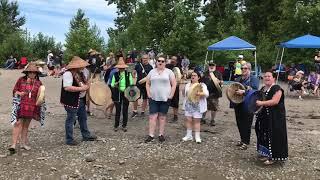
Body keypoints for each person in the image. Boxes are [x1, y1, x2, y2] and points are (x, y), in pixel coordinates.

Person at [61, 56, 97, 146]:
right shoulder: (68, 74)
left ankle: (86, 135)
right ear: (76, 66)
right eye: (81, 66)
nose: (83, 67)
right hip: (71, 100)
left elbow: (84, 85)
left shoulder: (80, 73)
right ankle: (69, 139)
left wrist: (88, 84)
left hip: (80, 100)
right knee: (71, 119)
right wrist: (82, 88)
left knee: (83, 118)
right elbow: (67, 87)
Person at [9, 63, 43, 154]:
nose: (32, 74)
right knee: (18, 123)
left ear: (36, 73)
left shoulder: (39, 83)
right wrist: (19, 93)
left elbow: (41, 95)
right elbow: (14, 90)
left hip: (31, 106)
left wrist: (40, 100)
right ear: (27, 72)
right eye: (30, 72)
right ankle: (13, 144)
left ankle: (23, 143)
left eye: (34, 72)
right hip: (21, 105)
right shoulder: (21, 80)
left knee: (26, 125)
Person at [255, 71, 288, 165]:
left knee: (275, 136)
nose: (267, 78)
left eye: (269, 76)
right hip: (265, 116)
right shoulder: (263, 88)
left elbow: (275, 101)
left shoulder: (277, 88)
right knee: (265, 135)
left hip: (276, 117)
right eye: (265, 76)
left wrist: (261, 103)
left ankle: (275, 157)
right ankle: (266, 154)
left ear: (274, 78)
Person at [145, 55, 176, 143]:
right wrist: (148, 93)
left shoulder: (169, 72)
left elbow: (174, 84)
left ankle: (161, 134)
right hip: (153, 98)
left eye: (162, 61)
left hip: (165, 98)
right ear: (156, 62)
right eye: (159, 61)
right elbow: (147, 83)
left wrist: (171, 95)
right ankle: (151, 135)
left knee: (162, 117)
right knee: (152, 117)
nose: (160, 62)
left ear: (165, 63)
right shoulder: (152, 72)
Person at [232, 62, 259, 150]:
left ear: (249, 70)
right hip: (238, 103)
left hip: (248, 104)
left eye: (245, 68)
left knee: (247, 124)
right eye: (242, 68)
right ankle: (242, 140)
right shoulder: (238, 78)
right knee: (239, 122)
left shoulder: (254, 79)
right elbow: (233, 88)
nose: (243, 70)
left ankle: (246, 142)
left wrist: (244, 92)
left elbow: (255, 90)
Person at [182, 71, 209, 143]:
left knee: (197, 121)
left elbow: (206, 94)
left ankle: (197, 137)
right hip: (188, 105)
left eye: (195, 75)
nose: (193, 76)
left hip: (198, 105)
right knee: (188, 120)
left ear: (199, 77)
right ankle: (189, 135)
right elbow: (184, 94)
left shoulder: (202, 85)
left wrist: (198, 93)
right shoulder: (188, 84)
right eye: (192, 75)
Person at [111, 57, 134, 132]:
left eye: (123, 68)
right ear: (118, 68)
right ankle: (116, 125)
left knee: (125, 110)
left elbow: (131, 84)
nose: (121, 69)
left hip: (126, 93)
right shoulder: (115, 74)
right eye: (120, 68)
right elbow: (112, 84)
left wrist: (129, 88)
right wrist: (116, 84)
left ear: (125, 68)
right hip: (117, 93)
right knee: (118, 110)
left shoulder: (128, 74)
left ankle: (124, 125)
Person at [201, 61, 223, 126]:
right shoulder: (205, 73)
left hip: (215, 93)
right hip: (205, 93)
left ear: (215, 66)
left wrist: (218, 81)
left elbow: (222, 82)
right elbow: (201, 82)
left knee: (214, 107)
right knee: (204, 106)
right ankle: (203, 119)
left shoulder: (218, 73)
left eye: (213, 65)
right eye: (210, 65)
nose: (211, 66)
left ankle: (212, 120)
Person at [166, 56, 181, 122]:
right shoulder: (167, 66)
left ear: (176, 61)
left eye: (174, 59)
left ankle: (175, 116)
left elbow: (180, 77)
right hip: (166, 86)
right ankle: (163, 113)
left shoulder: (178, 68)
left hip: (175, 87)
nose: (172, 60)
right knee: (165, 100)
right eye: (172, 59)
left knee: (175, 101)